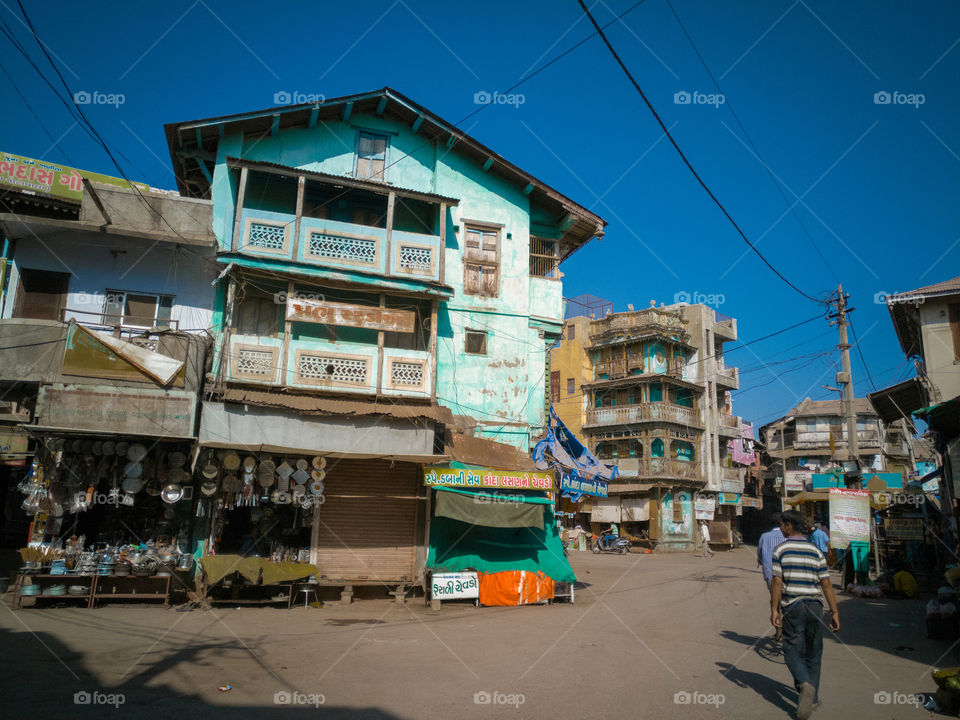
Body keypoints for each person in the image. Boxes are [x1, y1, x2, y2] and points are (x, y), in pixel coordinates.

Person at [770, 510, 840, 720]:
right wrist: (834, 611)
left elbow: (777, 581)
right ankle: (814, 697)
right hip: (816, 605)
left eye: (783, 525)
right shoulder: (815, 551)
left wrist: (774, 609)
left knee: (792, 649)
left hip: (793, 605)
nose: (781, 528)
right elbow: (826, 583)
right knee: (814, 651)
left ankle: (804, 684)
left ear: (790, 525)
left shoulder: (781, 549)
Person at [758, 513, 787, 641]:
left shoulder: (764, 537)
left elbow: (759, 555)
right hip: (789, 574)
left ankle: (779, 632)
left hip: (771, 575)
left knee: (775, 603)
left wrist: (762, 562)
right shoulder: (788, 536)